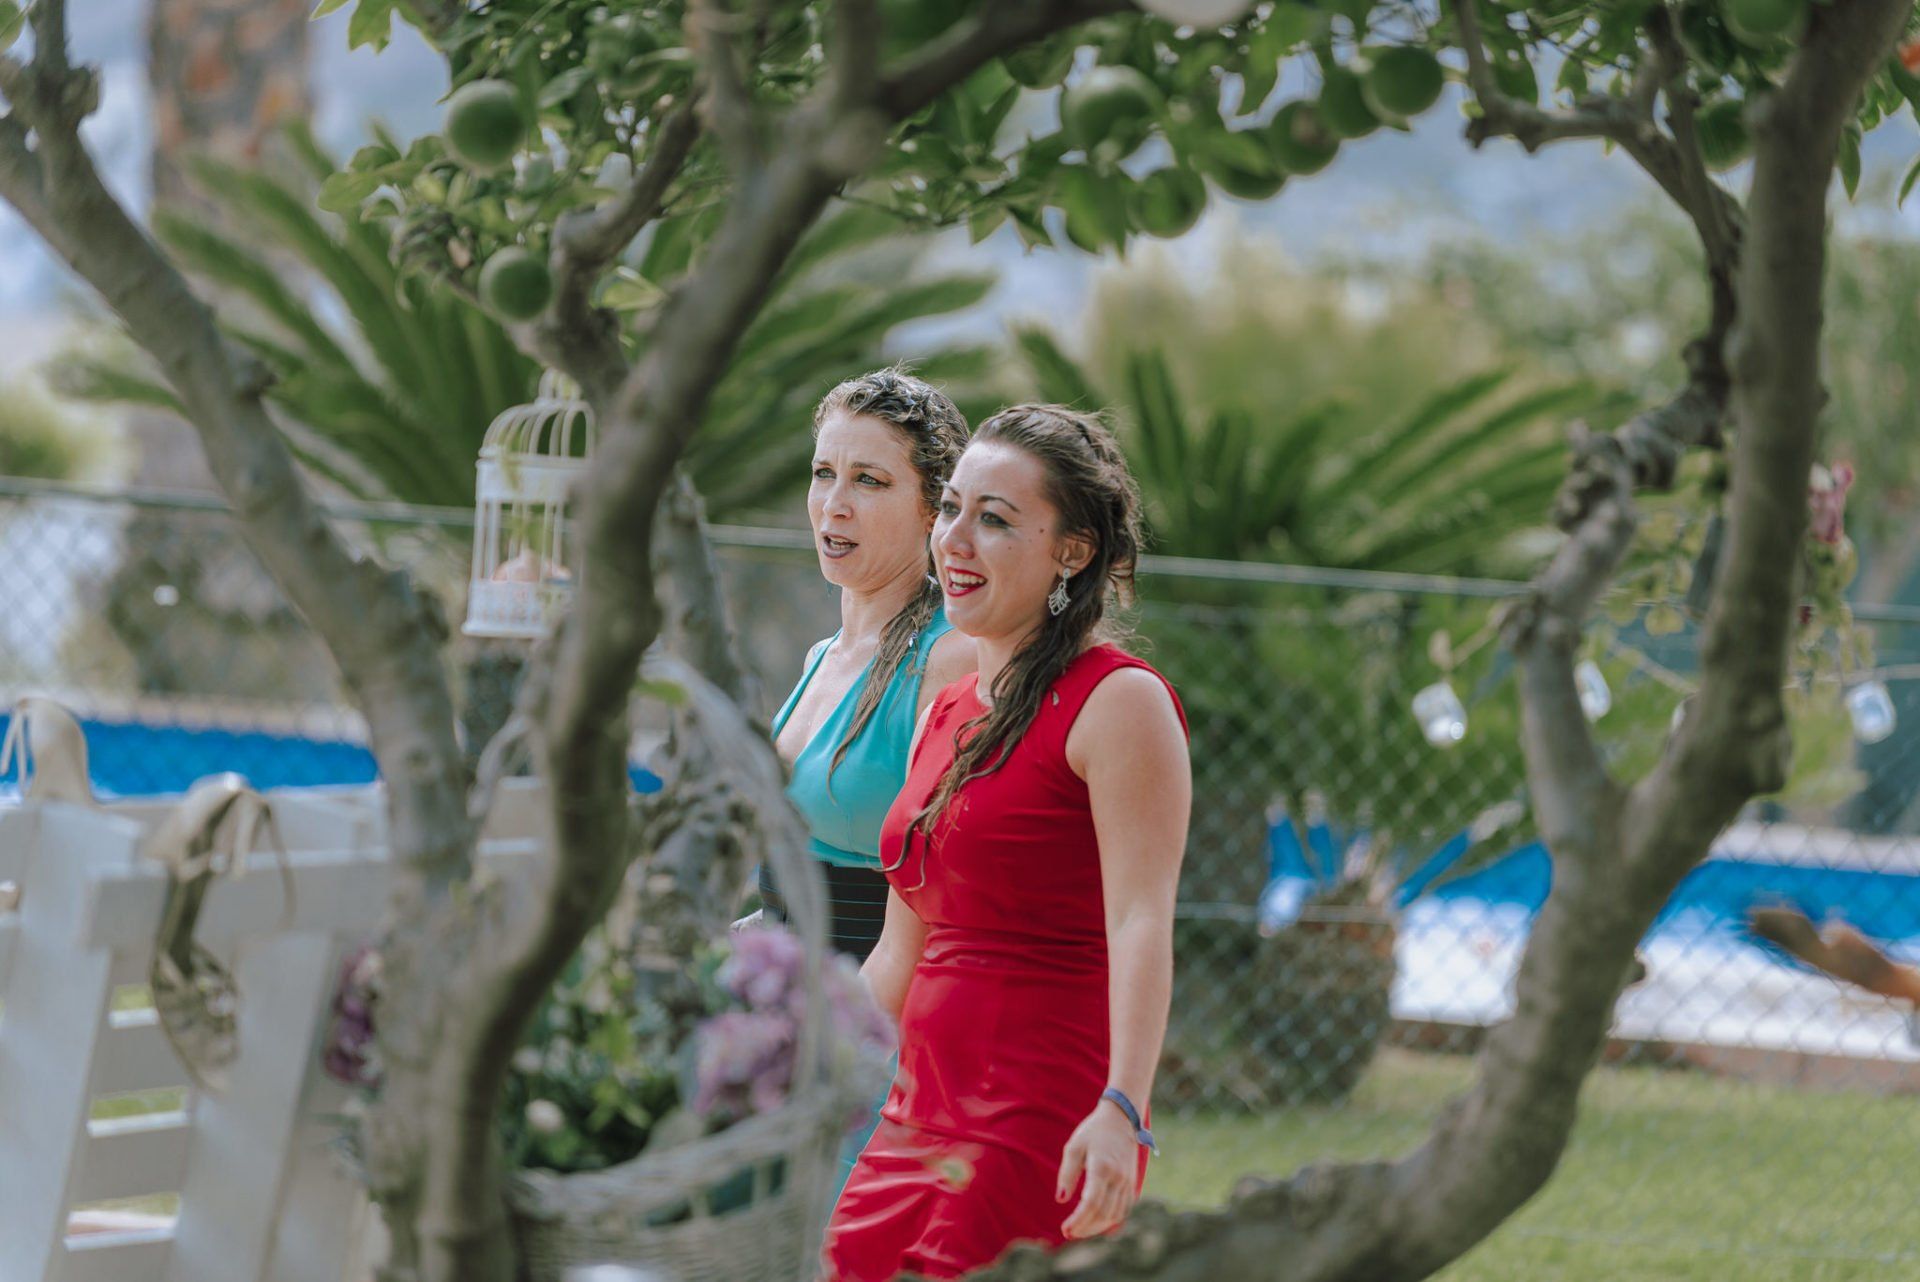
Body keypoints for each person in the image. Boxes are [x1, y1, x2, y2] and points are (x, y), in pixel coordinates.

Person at [823, 406, 1193, 1282]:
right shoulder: (946, 708)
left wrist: (1124, 1108)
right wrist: (797, 1062)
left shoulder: (1120, 702)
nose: (955, 539)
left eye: (994, 519)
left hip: (1037, 1121)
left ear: (1073, 552)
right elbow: (899, 952)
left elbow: (1142, 920)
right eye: (951, 508)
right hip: (911, 1117)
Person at [756, 368, 976, 961]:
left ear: (934, 508)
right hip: (781, 992)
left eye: (869, 481)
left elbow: (957, 888)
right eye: (823, 473)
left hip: (869, 1001)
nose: (834, 505)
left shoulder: (951, 659)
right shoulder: (823, 655)